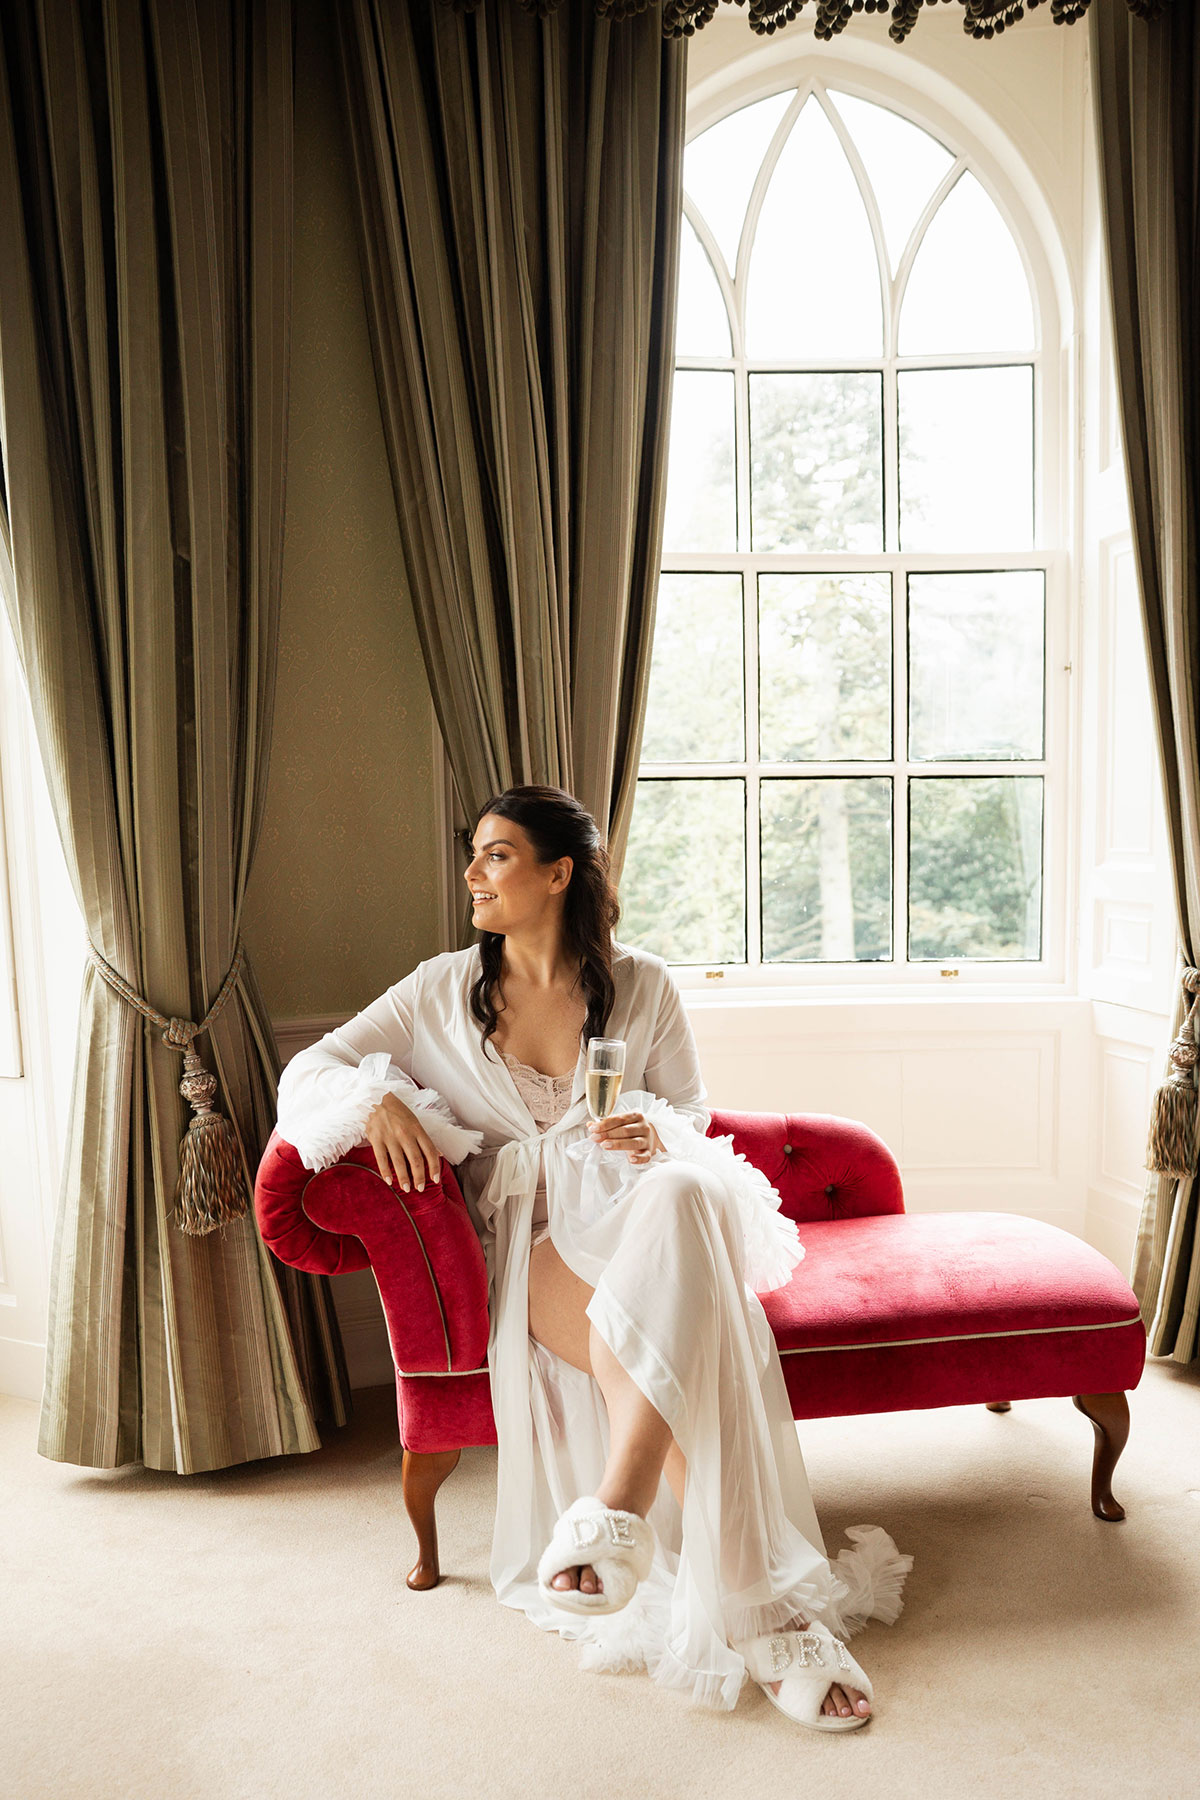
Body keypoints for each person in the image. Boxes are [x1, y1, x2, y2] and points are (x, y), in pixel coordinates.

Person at [275, 785, 911, 1729]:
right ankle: (769, 1617)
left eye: (495, 857)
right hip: (534, 1237)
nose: (472, 875)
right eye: (476, 856)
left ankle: (615, 1508)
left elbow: (692, 1121)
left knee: (689, 1189)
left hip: (640, 1211)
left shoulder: (643, 982)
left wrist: (658, 1140)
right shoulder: (438, 989)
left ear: (557, 873)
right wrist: (377, 1099)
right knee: (683, 1336)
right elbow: (307, 1068)